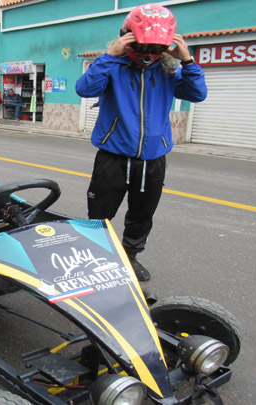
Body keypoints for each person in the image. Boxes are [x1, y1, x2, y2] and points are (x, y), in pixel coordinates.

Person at [75, 3, 207, 281]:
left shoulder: (169, 70)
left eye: (155, 48)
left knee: (142, 213)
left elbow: (197, 94)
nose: (149, 55)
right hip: (113, 156)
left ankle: (130, 257)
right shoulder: (114, 67)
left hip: (153, 158)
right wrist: (110, 55)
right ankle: (95, 256)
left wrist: (187, 60)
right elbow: (85, 88)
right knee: (100, 212)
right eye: (143, 47)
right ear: (127, 36)